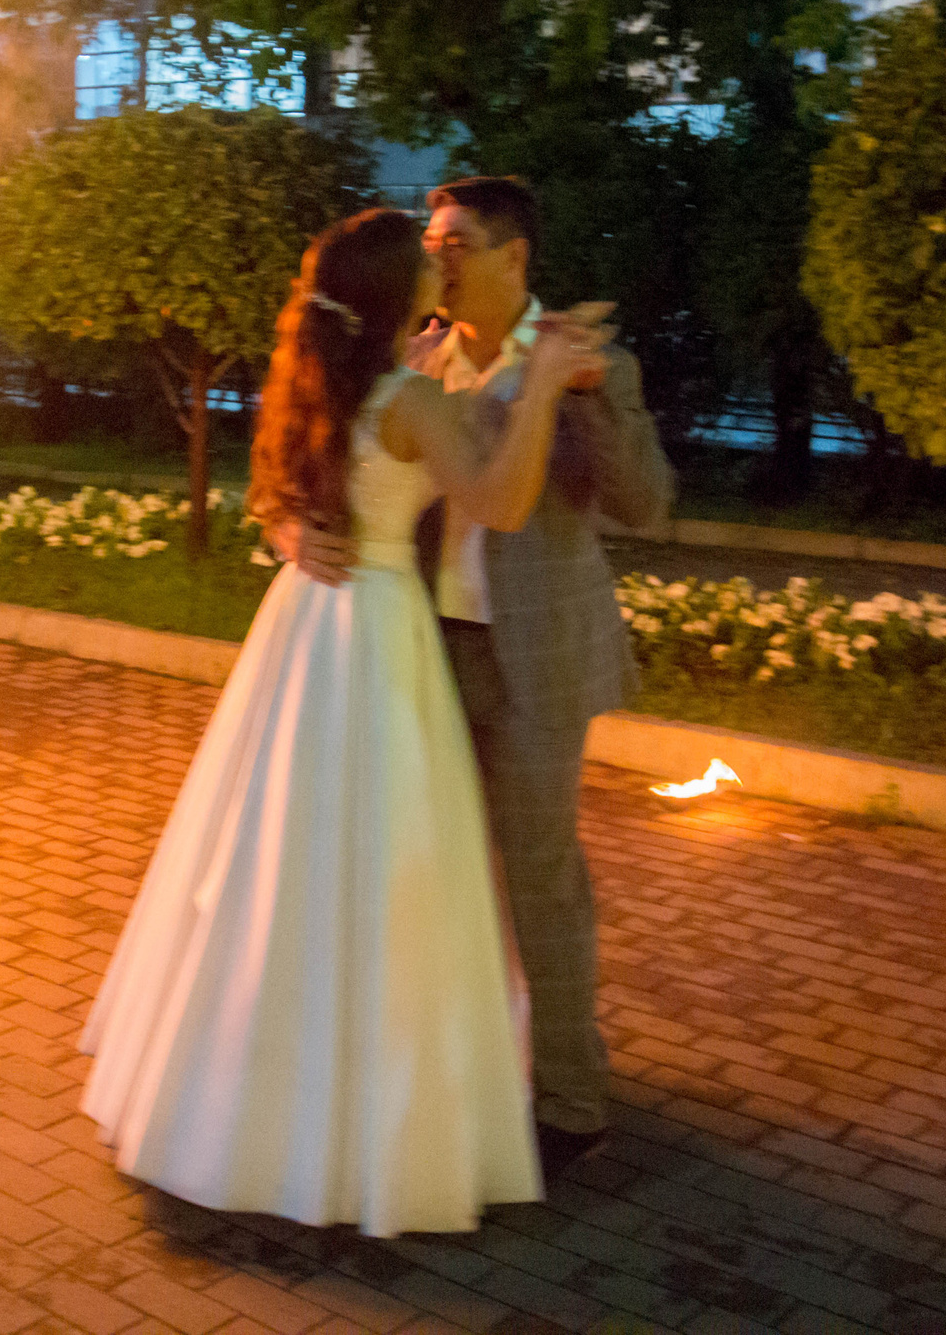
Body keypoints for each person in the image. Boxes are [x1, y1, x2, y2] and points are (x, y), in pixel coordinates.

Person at [80, 206, 606, 1237]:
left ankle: (252, 1089)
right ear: (389, 295)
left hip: (307, 634)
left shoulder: (327, 375)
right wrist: (541, 389)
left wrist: (287, 522)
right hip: (378, 636)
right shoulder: (409, 396)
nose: (438, 265)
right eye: (424, 258)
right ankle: (371, 1108)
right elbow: (497, 501)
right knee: (386, 863)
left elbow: (285, 477)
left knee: (283, 859)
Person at [275, 176, 673, 1179]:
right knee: (427, 871)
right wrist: (286, 525)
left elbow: (646, 505)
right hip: (421, 650)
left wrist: (588, 400)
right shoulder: (411, 361)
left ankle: (573, 1098)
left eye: (455, 243)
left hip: (534, 653)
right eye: (431, 244)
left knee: (537, 874)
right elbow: (308, 452)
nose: (436, 259)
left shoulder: (589, 364)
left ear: (513, 258)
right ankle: (452, 1069)